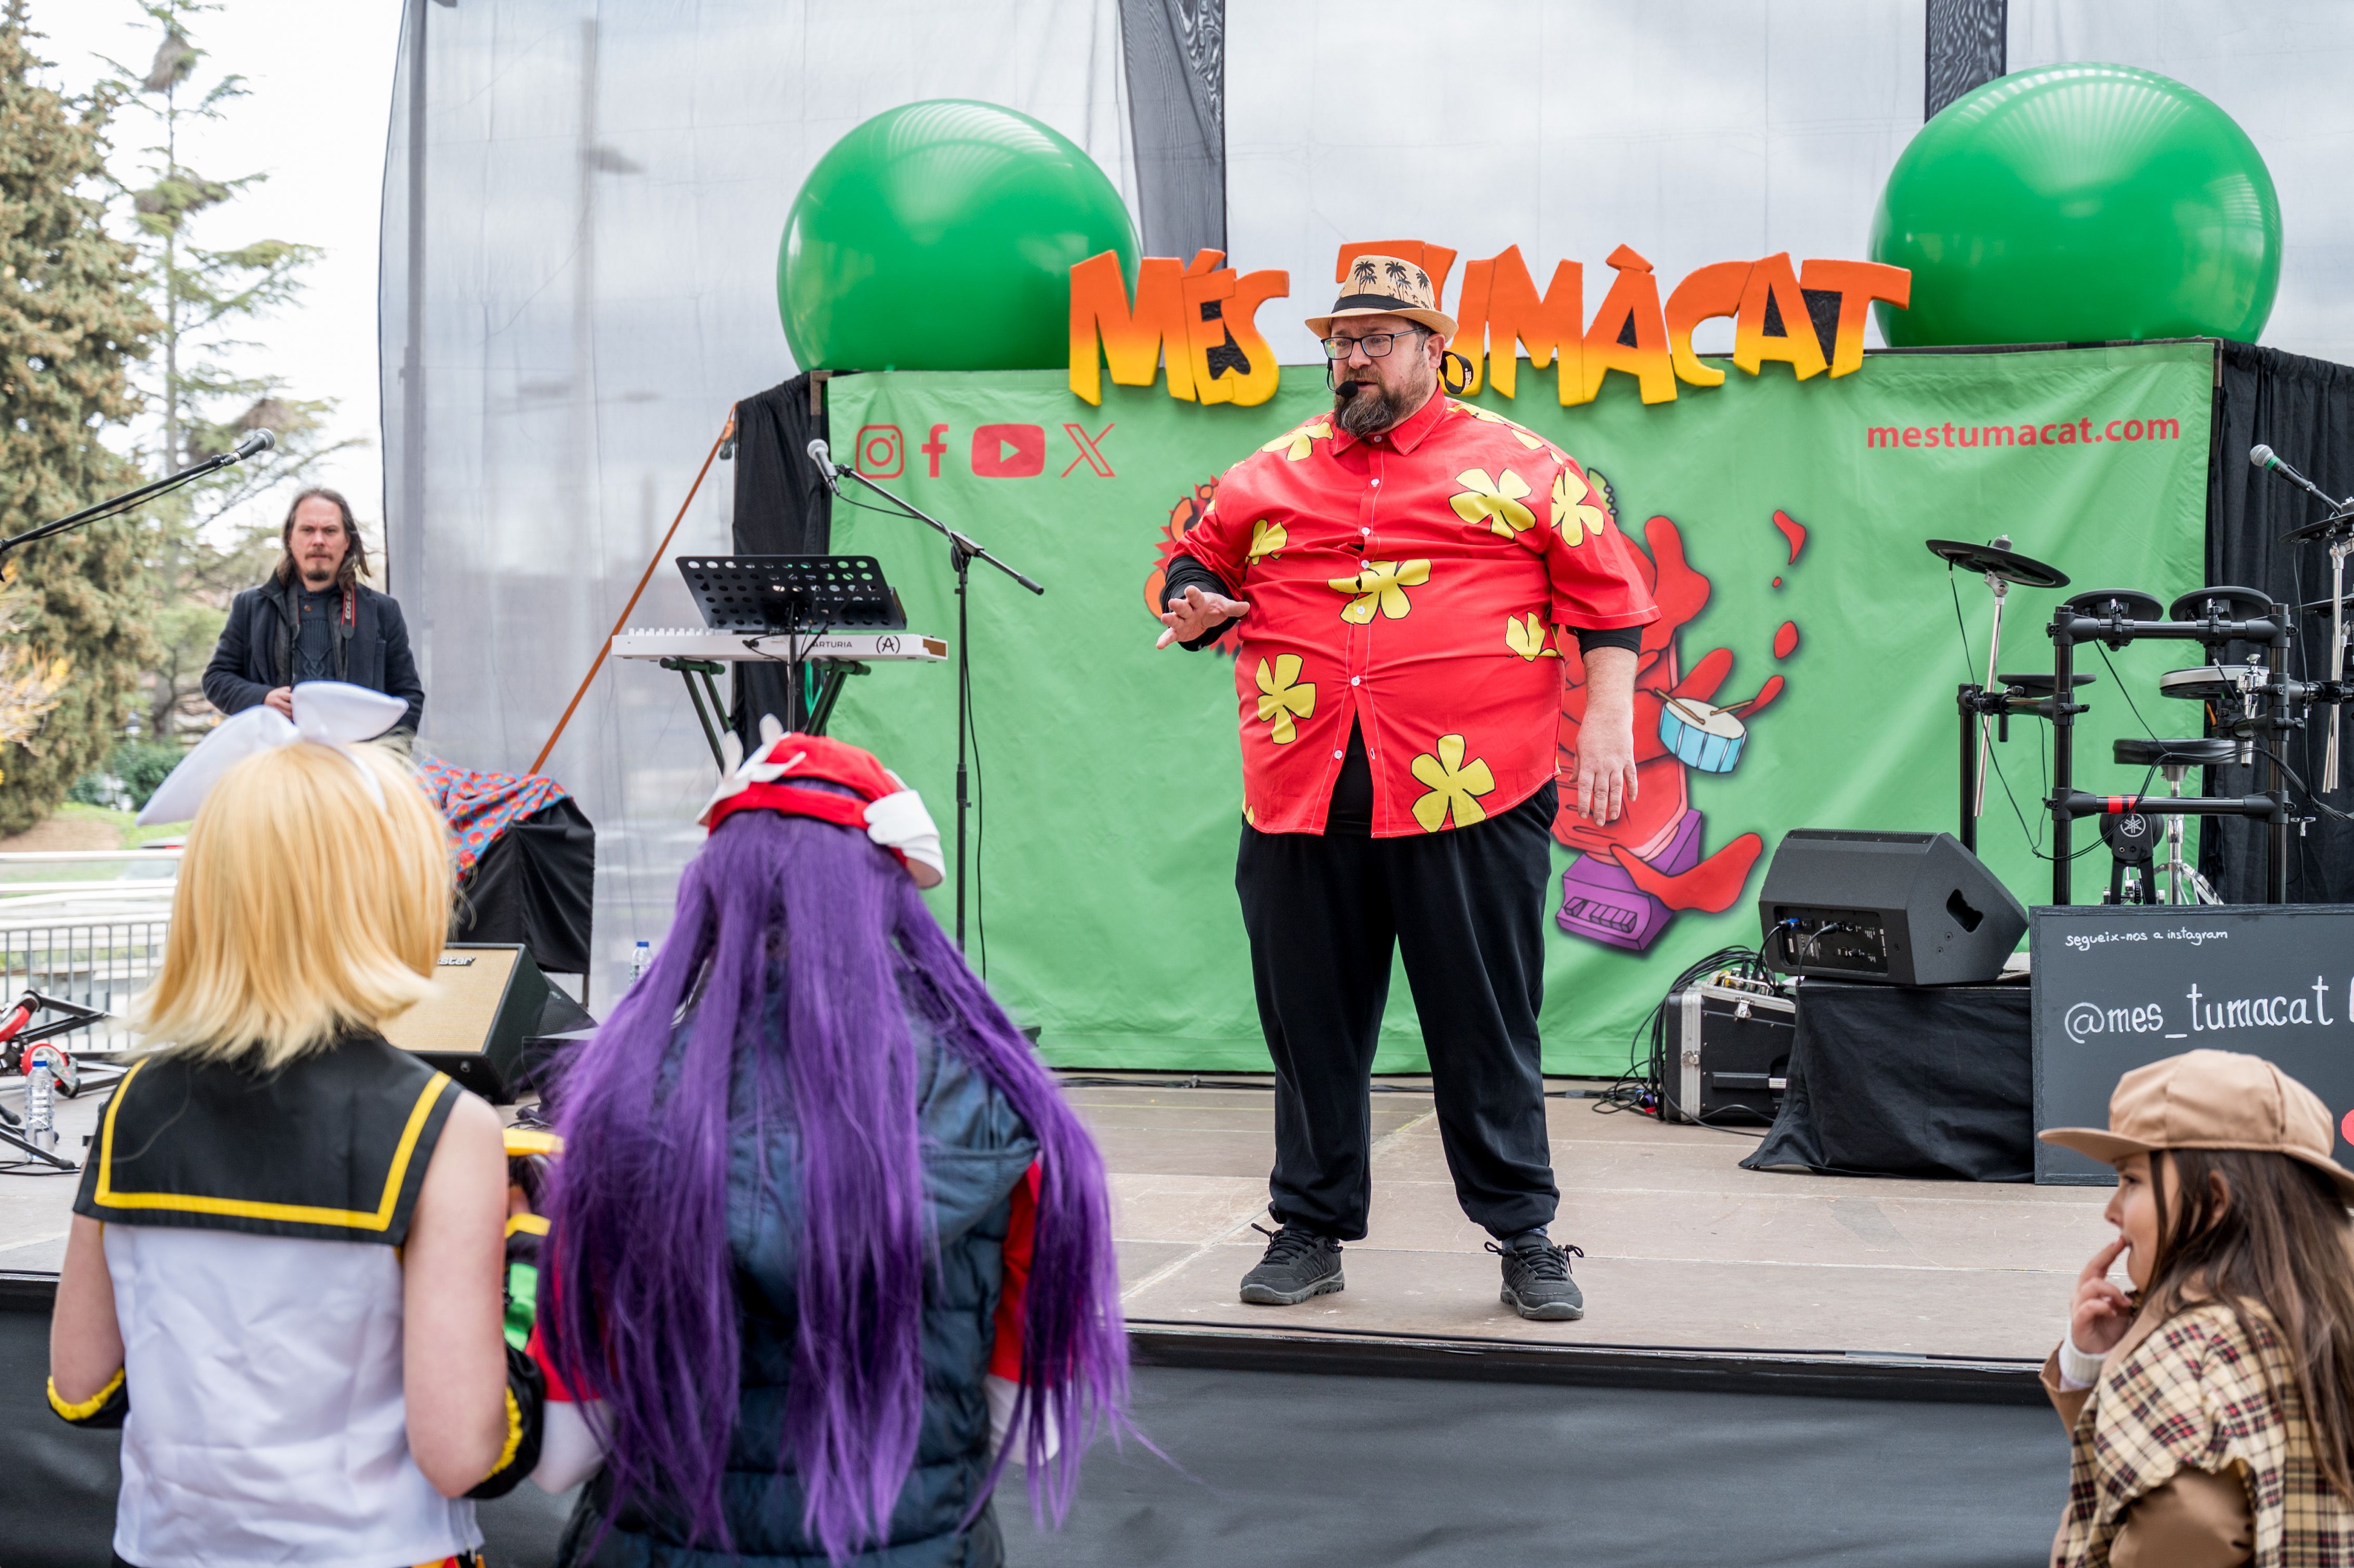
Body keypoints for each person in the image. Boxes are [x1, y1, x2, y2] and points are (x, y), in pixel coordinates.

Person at [1153, 255, 1658, 1321]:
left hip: (1468, 785)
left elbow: (1610, 599)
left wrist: (1607, 718)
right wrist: (1195, 600)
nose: (1351, 359)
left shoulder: (1523, 465)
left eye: (1376, 339)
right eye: (1340, 342)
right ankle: (1310, 1224)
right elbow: (1189, 562)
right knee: (1309, 1019)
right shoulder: (1269, 471)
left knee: (1482, 1018)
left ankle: (1524, 1232)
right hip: (1301, 780)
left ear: (1435, 347)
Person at [530, 729, 1128, 1565]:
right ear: (889, 896)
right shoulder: (1004, 1120)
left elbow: (562, 1454)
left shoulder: (618, 1111)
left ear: (713, 894)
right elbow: (1034, 1433)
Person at [46, 683, 526, 1568]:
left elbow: (80, 1385)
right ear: (395, 896)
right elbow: (462, 1451)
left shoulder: (134, 1104)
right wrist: (526, 1278)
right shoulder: (442, 1126)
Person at [2044, 1049, 2354, 1566]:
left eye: (2132, 1180)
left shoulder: (2183, 1357)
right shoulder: (2323, 1317)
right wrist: (2094, 1367)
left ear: (2213, 1200)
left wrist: (2133, 1362)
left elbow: (2186, 1524)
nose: (2111, 1209)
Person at [204, 487, 426, 735]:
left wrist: (385, 758)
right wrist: (262, 698)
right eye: (307, 530)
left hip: (354, 764)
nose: (318, 541)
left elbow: (408, 697)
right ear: (290, 538)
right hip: (275, 760)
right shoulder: (252, 606)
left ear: (347, 541)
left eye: (330, 531)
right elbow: (216, 679)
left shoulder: (383, 611)